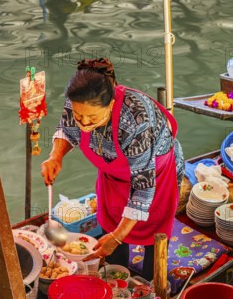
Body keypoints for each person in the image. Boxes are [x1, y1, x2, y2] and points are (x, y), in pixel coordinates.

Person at [41, 58, 184, 280]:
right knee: (112, 227)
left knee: (152, 237)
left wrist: (117, 237)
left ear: (110, 103)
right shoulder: (77, 102)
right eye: (80, 116)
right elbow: (68, 131)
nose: (85, 123)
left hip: (154, 177)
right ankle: (117, 274)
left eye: (93, 118)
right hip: (113, 175)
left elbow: (143, 189)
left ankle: (149, 284)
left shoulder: (135, 121)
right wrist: (55, 156)